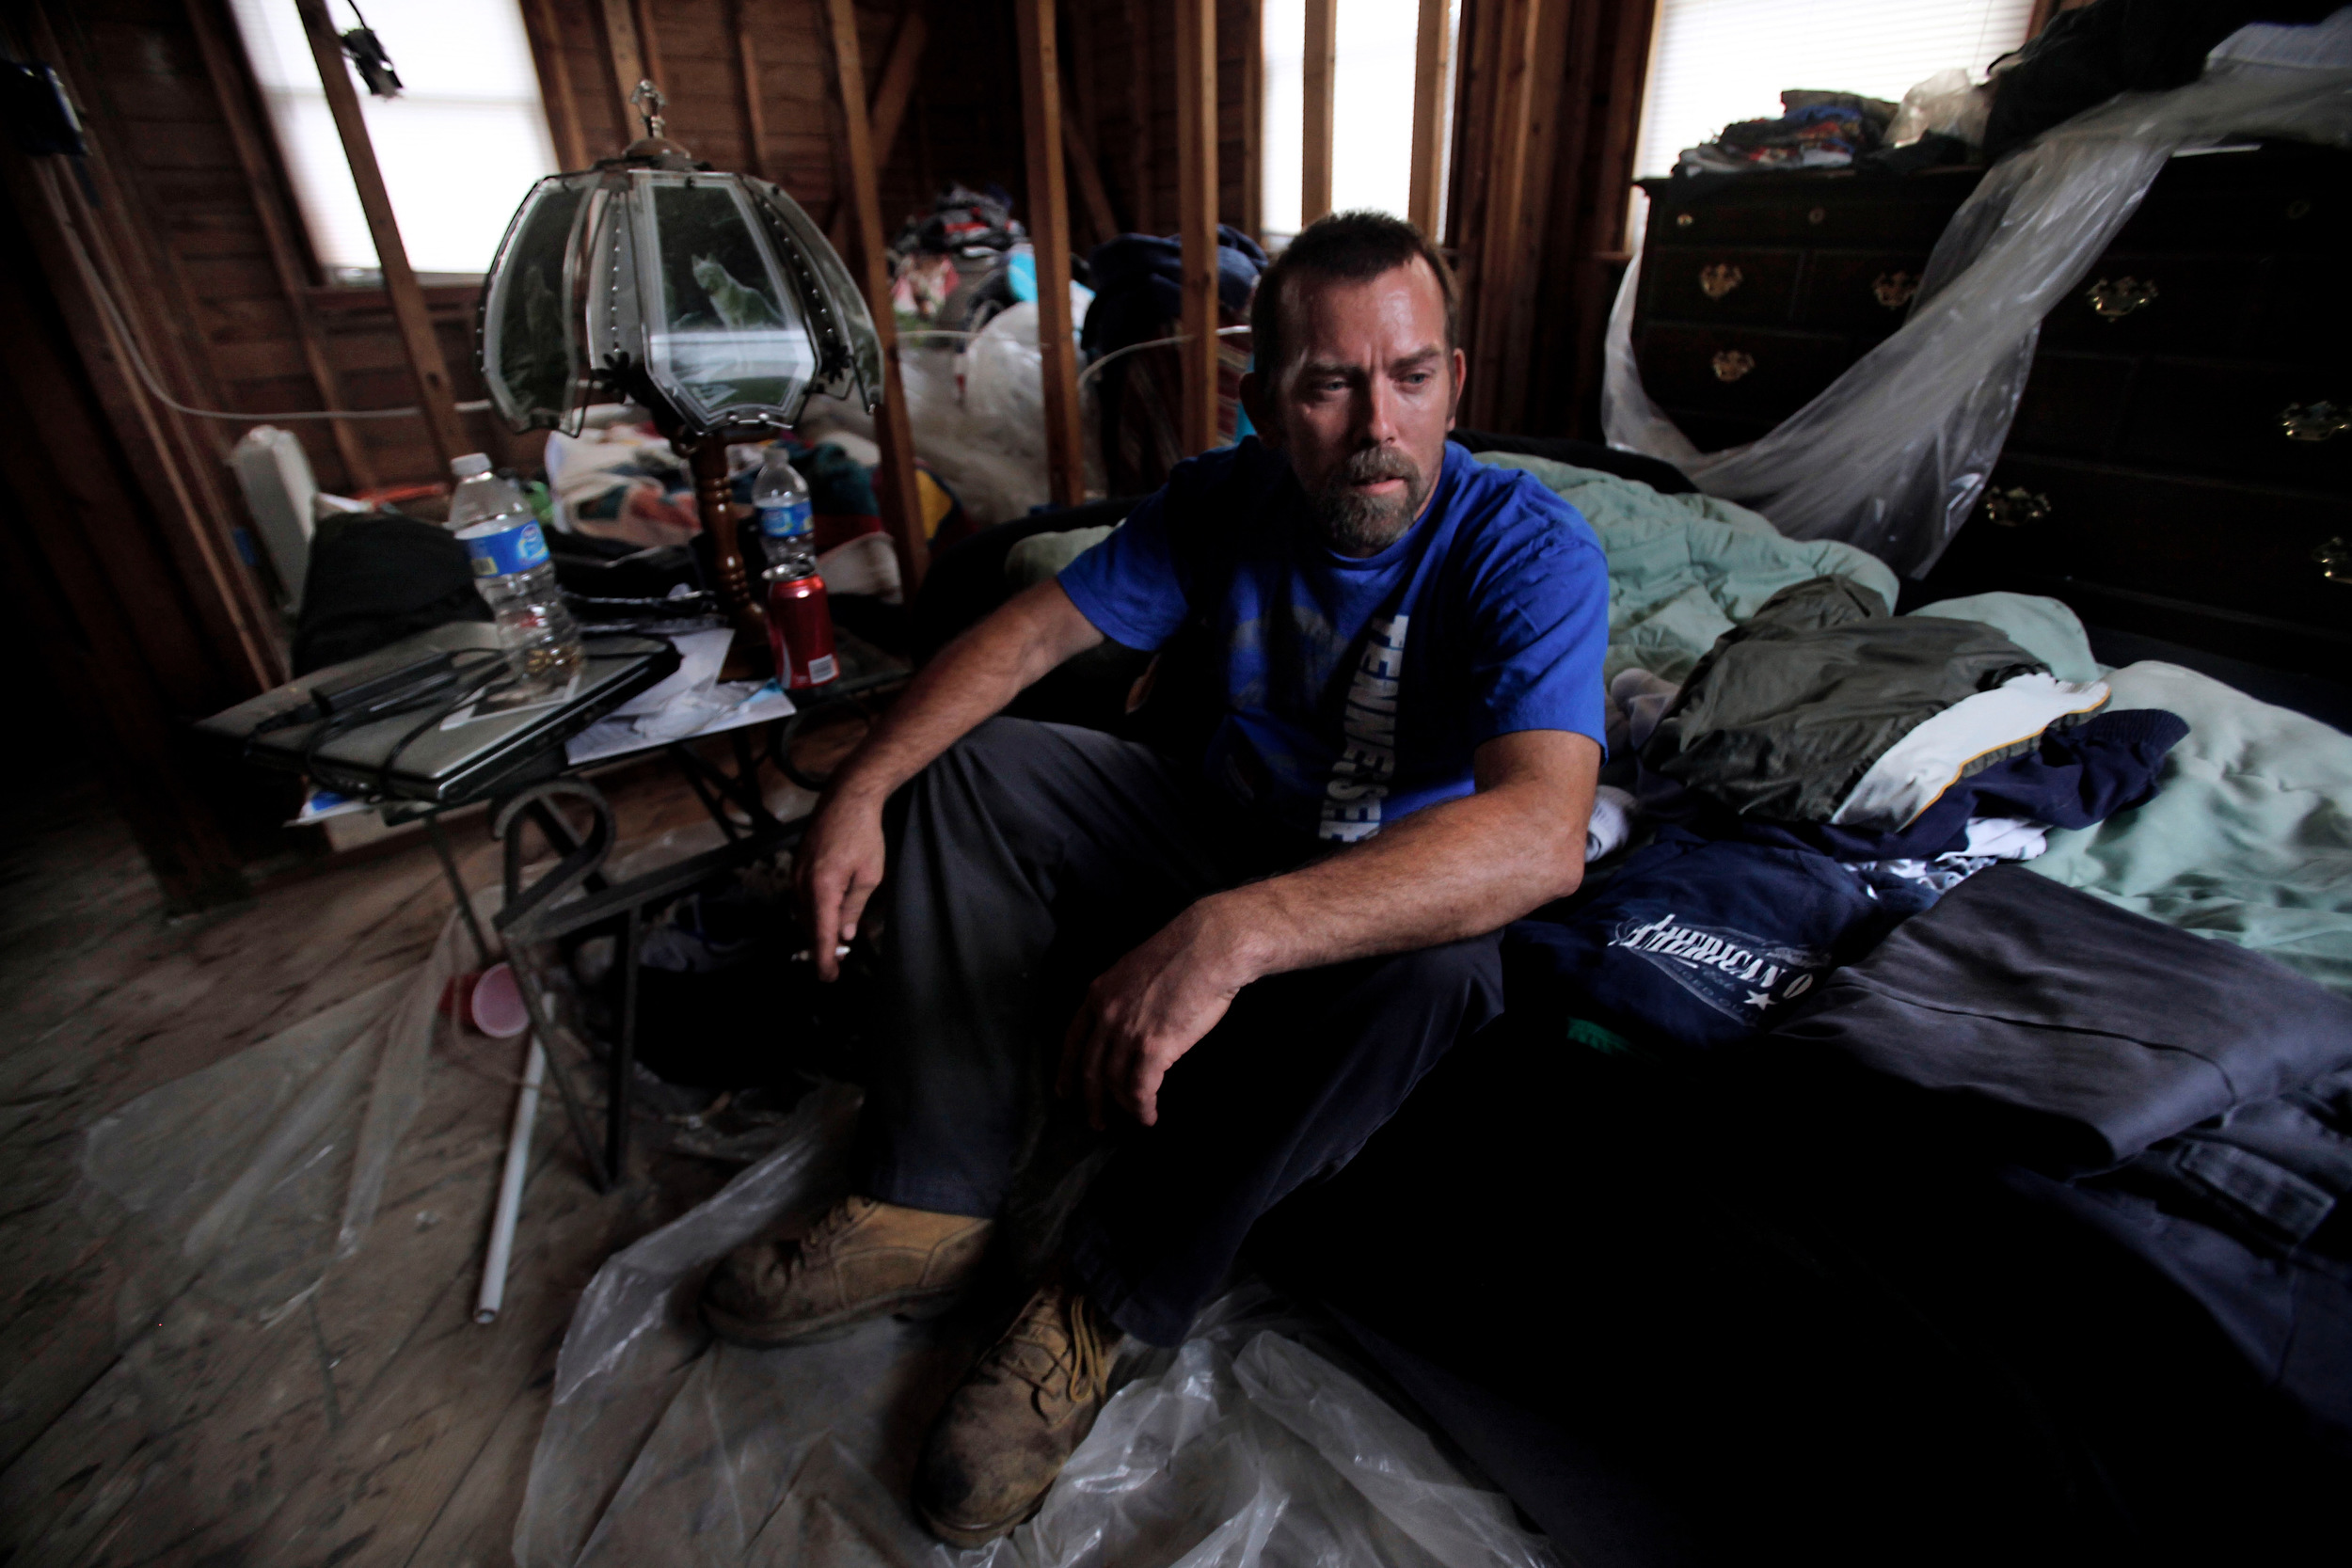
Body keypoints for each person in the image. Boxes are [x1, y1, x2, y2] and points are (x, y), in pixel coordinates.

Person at [699, 211, 1611, 1545]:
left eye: (1411, 377)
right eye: (1328, 384)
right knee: (980, 769)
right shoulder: (1221, 499)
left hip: (1376, 892)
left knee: (1447, 973)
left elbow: (1539, 834)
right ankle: (925, 1199)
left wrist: (1232, 936)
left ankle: (1095, 1304)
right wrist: (860, 789)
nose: (1376, 424)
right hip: (1219, 829)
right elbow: (1019, 640)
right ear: (1263, 403)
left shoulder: (1528, 549)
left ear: (1455, 384)